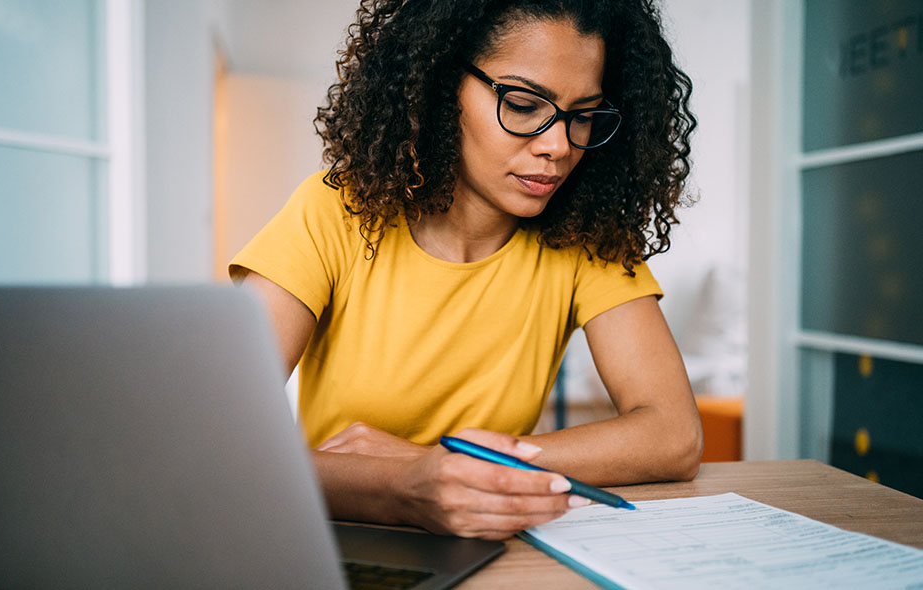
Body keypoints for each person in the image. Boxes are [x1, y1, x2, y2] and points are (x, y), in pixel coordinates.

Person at [230, 0, 702, 540]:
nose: (557, 147)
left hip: (491, 543)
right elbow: (222, 445)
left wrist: (436, 464)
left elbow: (673, 435)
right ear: (438, 85)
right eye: (523, 104)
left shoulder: (585, 238)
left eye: (583, 116)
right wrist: (405, 488)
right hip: (332, 544)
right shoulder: (333, 212)